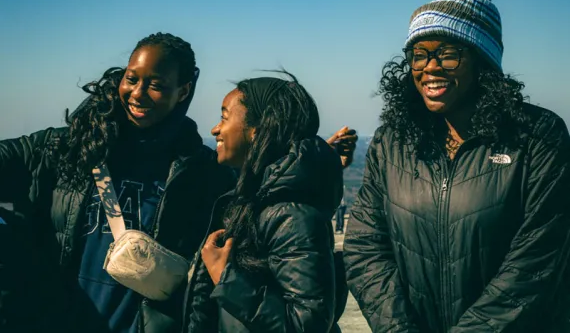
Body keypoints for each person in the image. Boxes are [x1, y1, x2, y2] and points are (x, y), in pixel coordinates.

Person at [0, 32, 355, 333]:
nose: (138, 93)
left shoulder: (204, 174)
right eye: (132, 78)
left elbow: (265, 177)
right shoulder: (65, 147)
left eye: (156, 85)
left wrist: (317, 157)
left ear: (183, 91)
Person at [343, 0, 570, 332]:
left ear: (482, 60)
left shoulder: (536, 137)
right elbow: (365, 245)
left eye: (448, 54)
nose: (430, 67)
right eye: (419, 54)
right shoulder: (392, 142)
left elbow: (538, 259)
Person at [186, 72, 344, 333]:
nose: (215, 128)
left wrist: (226, 278)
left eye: (224, 117)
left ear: (257, 132)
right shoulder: (254, 199)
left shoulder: (291, 215)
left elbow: (308, 325)